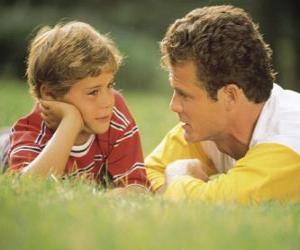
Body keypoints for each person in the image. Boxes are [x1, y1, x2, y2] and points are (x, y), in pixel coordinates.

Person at [145, 5, 300, 202]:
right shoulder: (210, 130)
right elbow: (145, 174)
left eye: (185, 95)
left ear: (230, 96)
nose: (174, 106)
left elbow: (212, 203)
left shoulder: (291, 142)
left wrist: (177, 174)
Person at [6, 21, 149, 192]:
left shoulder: (115, 112)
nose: (107, 101)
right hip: (6, 147)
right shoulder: (32, 130)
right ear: (49, 94)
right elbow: (27, 190)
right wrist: (70, 122)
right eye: (93, 92)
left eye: (110, 85)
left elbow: (137, 187)